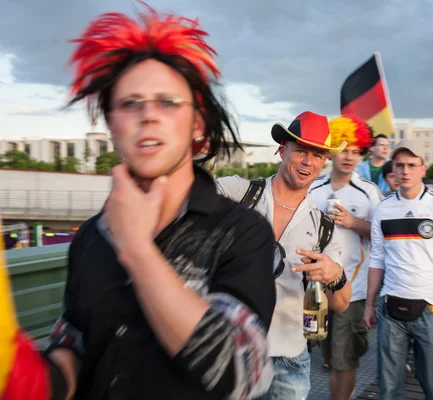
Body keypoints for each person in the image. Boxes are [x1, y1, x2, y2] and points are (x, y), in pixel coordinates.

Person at [43, 6, 277, 399]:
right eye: (130, 103)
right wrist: (33, 377)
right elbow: (75, 341)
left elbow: (240, 372)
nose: (148, 115)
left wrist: (135, 248)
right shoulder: (91, 237)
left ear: (197, 124)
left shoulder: (242, 233)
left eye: (168, 102)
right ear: (112, 126)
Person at [215, 111, 352, 400]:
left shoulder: (324, 228)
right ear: (281, 150)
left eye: (317, 155)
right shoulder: (239, 194)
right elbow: (184, 195)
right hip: (229, 351)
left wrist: (335, 276)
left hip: (288, 361)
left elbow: (341, 304)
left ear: (324, 162)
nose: (308, 162)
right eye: (301, 150)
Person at [364, 143, 433, 400]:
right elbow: (377, 258)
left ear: (423, 168)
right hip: (391, 307)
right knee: (389, 387)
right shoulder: (383, 208)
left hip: (432, 308)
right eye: (399, 165)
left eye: (412, 165)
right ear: (393, 170)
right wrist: (369, 304)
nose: (405, 171)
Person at [309, 115, 382, 400]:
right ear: (332, 152)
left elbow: (382, 237)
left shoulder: (369, 192)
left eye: (355, 151)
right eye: (344, 149)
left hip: (352, 289)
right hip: (315, 289)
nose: (349, 156)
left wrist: (354, 223)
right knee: (328, 357)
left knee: (344, 360)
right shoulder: (313, 188)